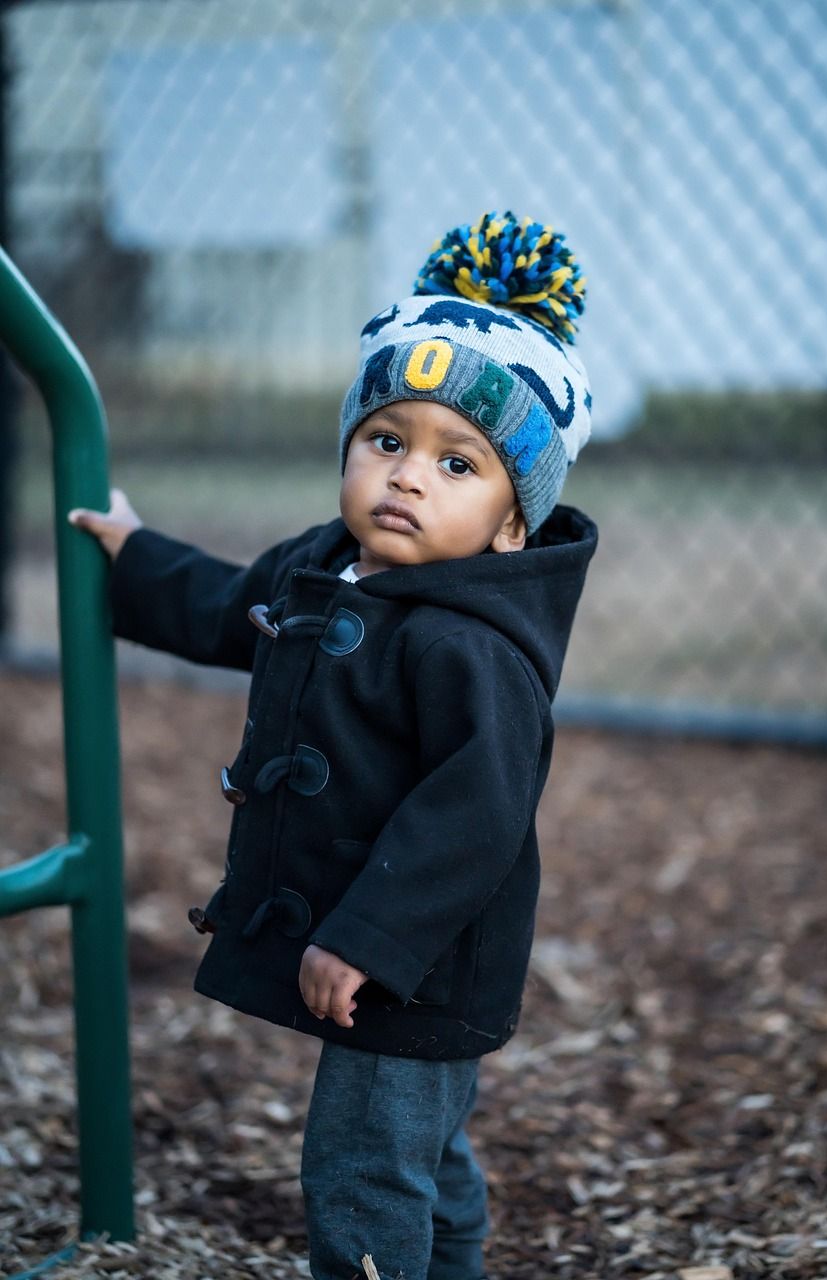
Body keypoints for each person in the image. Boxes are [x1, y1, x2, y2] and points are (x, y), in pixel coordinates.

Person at [69, 211, 598, 1280]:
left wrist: (369, 940)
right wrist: (134, 555)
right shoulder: (329, 565)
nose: (408, 476)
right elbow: (228, 605)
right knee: (420, 1150)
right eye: (387, 440)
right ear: (350, 447)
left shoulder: (471, 645)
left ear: (512, 524)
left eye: (458, 462)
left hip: (418, 961)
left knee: (364, 1168)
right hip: (389, 946)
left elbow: (474, 815)